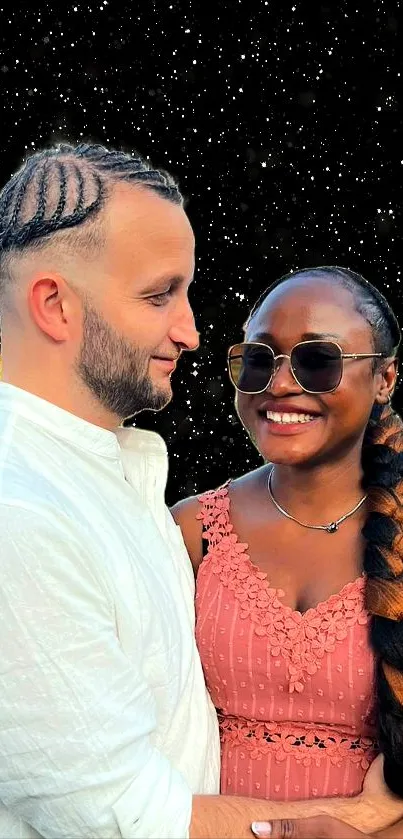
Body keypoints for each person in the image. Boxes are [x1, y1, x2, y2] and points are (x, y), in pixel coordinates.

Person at [172, 265, 403, 838]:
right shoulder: (193, 530)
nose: (277, 384)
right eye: (258, 359)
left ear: (385, 379)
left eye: (317, 360)